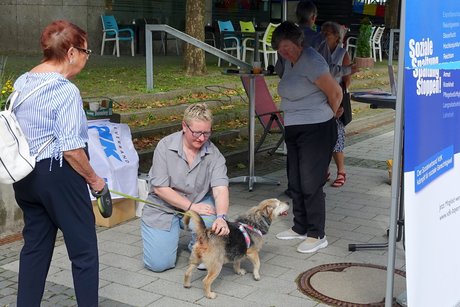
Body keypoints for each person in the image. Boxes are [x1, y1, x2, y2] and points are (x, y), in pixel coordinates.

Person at [11, 20, 104, 307]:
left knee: (35, 249)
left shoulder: (23, 81)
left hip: (25, 176)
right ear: (72, 52)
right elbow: (72, 150)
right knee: (84, 252)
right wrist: (95, 180)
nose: (87, 59)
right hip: (58, 176)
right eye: (87, 52)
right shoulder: (65, 90)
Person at [271, 21, 342, 253]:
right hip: (294, 127)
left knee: (311, 182)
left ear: (299, 42)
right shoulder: (290, 63)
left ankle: (317, 233)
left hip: (317, 127)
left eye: (288, 47)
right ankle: (300, 226)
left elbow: (336, 92)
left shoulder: (312, 60)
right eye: (281, 48)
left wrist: (329, 115)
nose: (285, 51)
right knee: (296, 181)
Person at [141, 103, 230, 272]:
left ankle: (197, 243)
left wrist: (222, 217)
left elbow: (220, 188)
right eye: (196, 132)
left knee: (213, 217)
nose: (202, 138)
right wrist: (191, 207)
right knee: (158, 264)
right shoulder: (164, 146)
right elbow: (160, 188)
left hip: (197, 203)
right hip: (164, 207)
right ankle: (165, 235)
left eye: (206, 133)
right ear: (184, 126)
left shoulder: (214, 153)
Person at [321, 21, 353, 188]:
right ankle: (324, 170)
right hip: (320, 98)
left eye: (327, 33)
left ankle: (341, 171)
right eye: (322, 32)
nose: (323, 36)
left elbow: (346, 82)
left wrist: (338, 101)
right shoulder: (318, 51)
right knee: (323, 137)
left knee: (337, 137)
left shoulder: (342, 53)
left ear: (336, 37)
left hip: (336, 99)